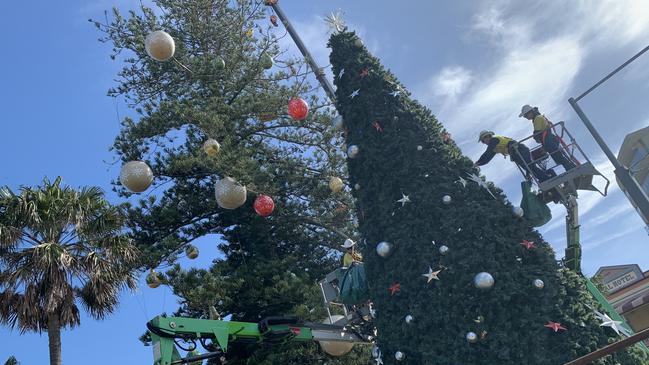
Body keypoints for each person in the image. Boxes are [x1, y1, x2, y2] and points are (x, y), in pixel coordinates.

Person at [474, 130, 553, 182]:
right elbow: (488, 158)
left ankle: (547, 179)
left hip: (519, 150)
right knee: (530, 168)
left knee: (531, 167)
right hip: (516, 153)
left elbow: (487, 152)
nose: (484, 143)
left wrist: (478, 162)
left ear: (487, 137)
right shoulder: (494, 146)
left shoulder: (494, 140)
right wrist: (479, 164)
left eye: (483, 141)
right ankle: (546, 178)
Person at [519, 105, 576, 171]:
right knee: (560, 157)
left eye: (526, 116)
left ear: (530, 112)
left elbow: (537, 134)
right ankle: (571, 167)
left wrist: (535, 137)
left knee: (559, 158)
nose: (526, 117)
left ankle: (571, 169)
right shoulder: (539, 117)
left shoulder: (537, 119)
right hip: (550, 140)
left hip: (549, 142)